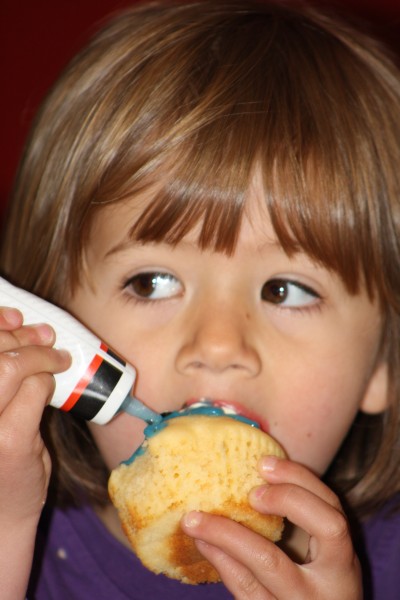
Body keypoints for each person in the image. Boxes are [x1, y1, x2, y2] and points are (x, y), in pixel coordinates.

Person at [0, 0, 399, 598]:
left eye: (285, 290)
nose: (216, 344)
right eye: (152, 282)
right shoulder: (21, 533)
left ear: (383, 367)